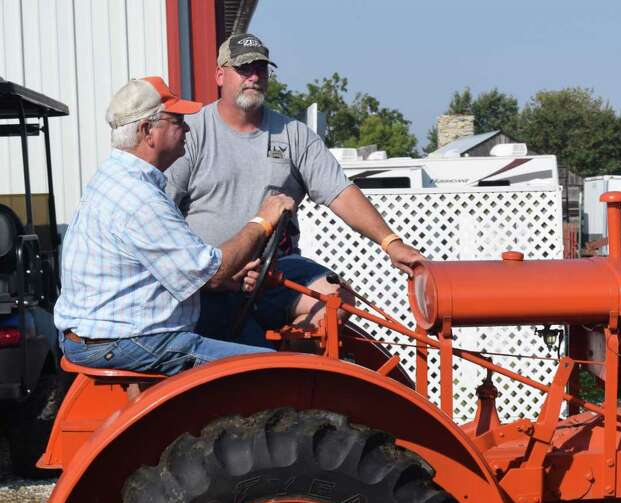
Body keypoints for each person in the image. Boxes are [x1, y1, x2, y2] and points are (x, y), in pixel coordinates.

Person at [166, 33, 426, 347]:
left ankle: (292, 358)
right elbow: (162, 209)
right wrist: (206, 272)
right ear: (220, 75)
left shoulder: (294, 135)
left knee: (337, 297)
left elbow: (340, 192)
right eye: (244, 68)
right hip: (209, 277)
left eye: (261, 69)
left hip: (274, 272)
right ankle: (270, 363)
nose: (254, 77)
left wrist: (391, 242)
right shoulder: (192, 132)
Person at [54, 76, 294, 375]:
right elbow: (213, 273)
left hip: (110, 336)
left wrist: (229, 281)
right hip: (128, 341)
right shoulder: (138, 197)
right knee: (279, 370)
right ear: (147, 131)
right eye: (177, 120)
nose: (188, 128)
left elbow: (187, 272)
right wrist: (263, 220)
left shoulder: (117, 180)